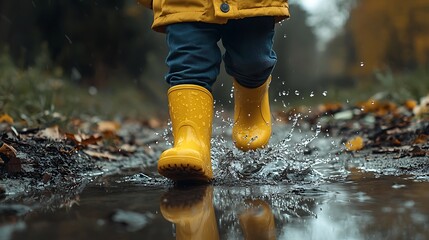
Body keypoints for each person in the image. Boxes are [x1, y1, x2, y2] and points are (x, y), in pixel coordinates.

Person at [139, 0, 290, 182]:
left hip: (252, 4)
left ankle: (251, 107)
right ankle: (191, 142)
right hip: (184, 4)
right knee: (188, 65)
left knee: (253, 61)